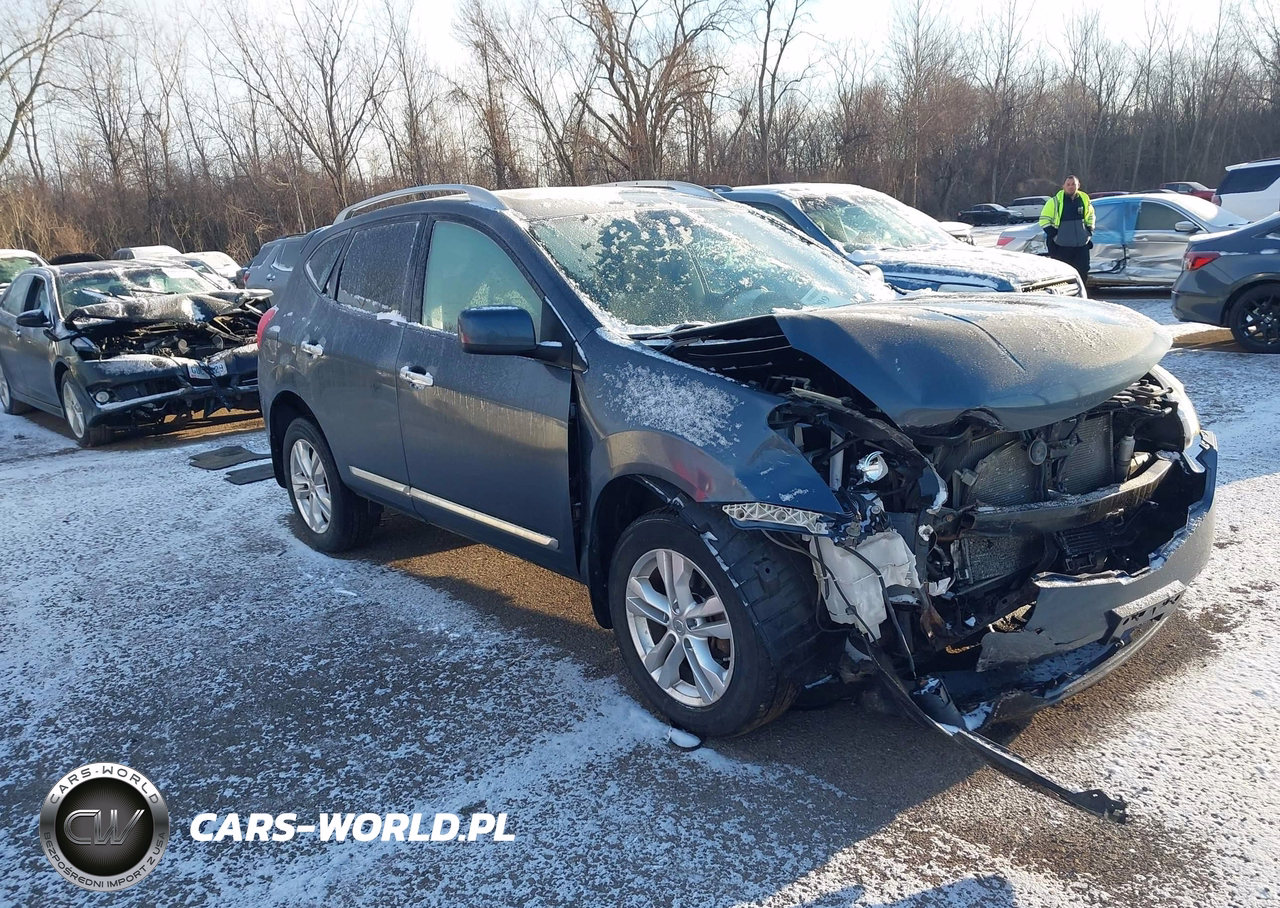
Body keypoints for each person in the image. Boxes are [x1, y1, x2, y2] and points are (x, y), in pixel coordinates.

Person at [1038, 175, 1094, 282]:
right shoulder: (1054, 202)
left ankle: (1080, 297)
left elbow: (1091, 216)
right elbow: (1044, 220)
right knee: (1062, 275)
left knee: (1082, 272)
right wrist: (1055, 235)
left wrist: (1089, 231)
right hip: (1061, 247)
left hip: (1081, 246)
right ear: (1063, 186)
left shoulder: (1084, 200)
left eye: (1073, 184)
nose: (1071, 187)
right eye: (1068, 184)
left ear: (1078, 185)